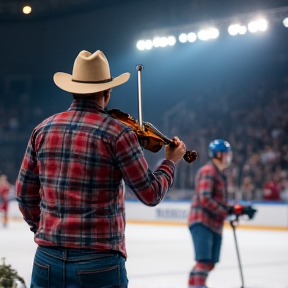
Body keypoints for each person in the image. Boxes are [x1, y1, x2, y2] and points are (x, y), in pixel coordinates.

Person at [16, 50, 186, 288]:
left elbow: (24, 195)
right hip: (99, 261)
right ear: (107, 92)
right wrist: (170, 161)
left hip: (47, 258)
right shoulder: (118, 133)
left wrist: (44, 230)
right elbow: (151, 194)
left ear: (73, 89)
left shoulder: (42, 130)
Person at [187, 139, 233, 288]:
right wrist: (225, 211)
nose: (229, 157)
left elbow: (218, 200)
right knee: (204, 261)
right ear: (218, 154)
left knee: (210, 262)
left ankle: (193, 284)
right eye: (227, 153)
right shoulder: (208, 171)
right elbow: (205, 198)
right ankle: (198, 285)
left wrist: (232, 209)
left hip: (214, 223)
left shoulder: (220, 174)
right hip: (202, 221)